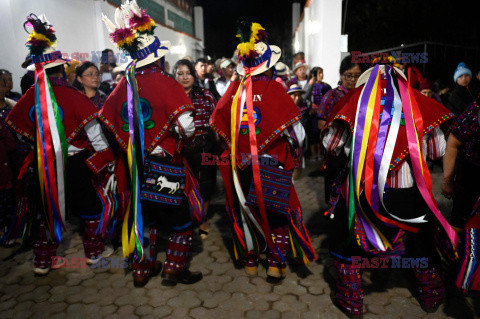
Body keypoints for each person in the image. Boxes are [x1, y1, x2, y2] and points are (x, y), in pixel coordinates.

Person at [322, 63, 458, 316]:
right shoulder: (419, 102)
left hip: (362, 192)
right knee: (420, 242)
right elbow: (436, 151)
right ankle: (431, 294)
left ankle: (351, 300)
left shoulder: (356, 100)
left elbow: (332, 145)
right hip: (409, 192)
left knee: (349, 241)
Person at [100, 2, 203, 287]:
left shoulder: (122, 86)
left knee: (144, 217)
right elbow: (186, 127)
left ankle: (141, 271)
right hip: (165, 165)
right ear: (157, 58)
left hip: (134, 167)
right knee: (180, 220)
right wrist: (183, 141)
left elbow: (106, 122)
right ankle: (173, 269)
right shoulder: (168, 84)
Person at [6, 14, 116, 275]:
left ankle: (43, 261)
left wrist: (37, 144)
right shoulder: (73, 96)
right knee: (88, 206)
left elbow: (19, 131)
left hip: (42, 163)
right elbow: (96, 135)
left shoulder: (30, 96)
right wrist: (106, 160)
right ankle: (94, 253)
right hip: (74, 163)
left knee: (45, 210)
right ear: (62, 71)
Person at [210, 21, 316, 283]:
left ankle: (250, 261)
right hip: (272, 163)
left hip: (241, 166)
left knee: (246, 210)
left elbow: (219, 122)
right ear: (268, 67)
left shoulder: (233, 91)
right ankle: (275, 263)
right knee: (276, 213)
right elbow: (297, 134)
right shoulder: (275, 90)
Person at [174, 59, 217, 240]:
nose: (185, 77)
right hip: (181, 149)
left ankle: (203, 219)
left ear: (194, 75)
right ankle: (187, 221)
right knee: (182, 186)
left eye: (188, 73)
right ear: (174, 76)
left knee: (206, 184)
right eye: (180, 73)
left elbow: (215, 120)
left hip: (206, 146)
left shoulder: (206, 95)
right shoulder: (171, 98)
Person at [315, 55, 363, 198]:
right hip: (337, 152)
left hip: (359, 150)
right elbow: (321, 123)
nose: (352, 80)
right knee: (336, 191)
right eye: (348, 76)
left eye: (356, 76)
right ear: (341, 75)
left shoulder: (365, 95)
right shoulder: (331, 96)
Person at [442, 100, 480, 232]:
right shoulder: (474, 111)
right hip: (471, 175)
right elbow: (452, 144)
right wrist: (448, 181)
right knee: (461, 220)